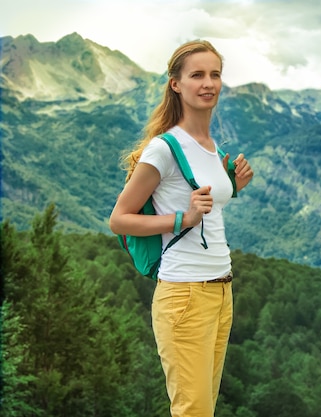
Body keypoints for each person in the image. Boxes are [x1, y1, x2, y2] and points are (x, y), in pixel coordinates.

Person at [109, 39, 253, 417]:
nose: (209, 83)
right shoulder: (164, 148)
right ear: (176, 84)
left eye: (215, 74)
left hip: (221, 291)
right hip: (185, 295)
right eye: (197, 75)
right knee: (193, 410)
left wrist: (231, 187)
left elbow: (203, 204)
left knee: (204, 407)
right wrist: (182, 220)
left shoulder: (208, 144)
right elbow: (120, 219)